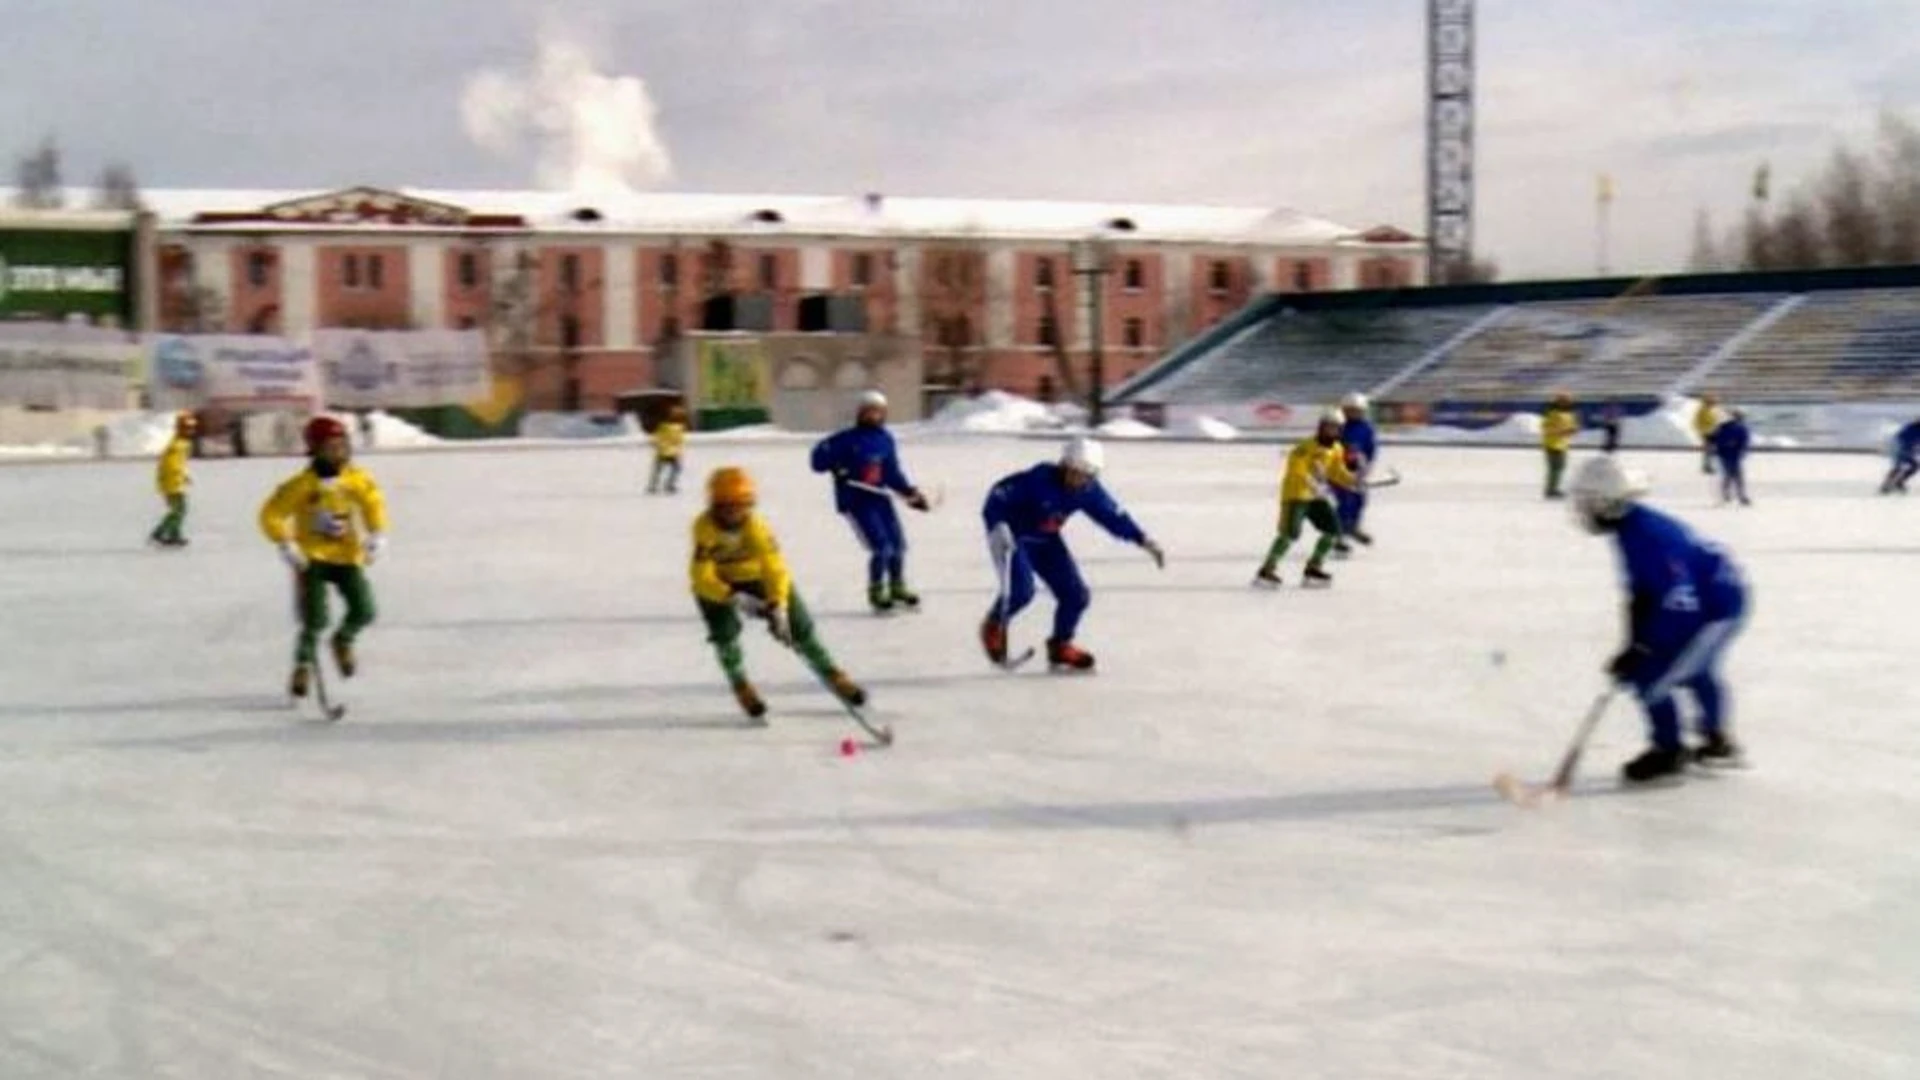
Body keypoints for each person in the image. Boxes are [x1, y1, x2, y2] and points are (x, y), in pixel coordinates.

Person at [1569, 456, 1748, 782]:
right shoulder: (1631, 528)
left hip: (1717, 608)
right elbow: (1645, 594)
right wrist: (1634, 639)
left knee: (1653, 678)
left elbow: (1679, 603)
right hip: (1709, 598)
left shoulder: (1648, 537)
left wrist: (1643, 649)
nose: (1585, 512)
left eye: (1590, 503)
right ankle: (1717, 741)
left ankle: (1669, 751)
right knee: (1690, 669)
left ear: (1610, 503)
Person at [692, 466, 865, 719]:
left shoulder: (757, 527)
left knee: (800, 625)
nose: (733, 513)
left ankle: (833, 673)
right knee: (725, 633)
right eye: (725, 506)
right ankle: (740, 684)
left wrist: (779, 604)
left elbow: (774, 568)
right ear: (714, 505)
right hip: (718, 584)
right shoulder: (704, 528)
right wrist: (733, 597)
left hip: (757, 578)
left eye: (740, 505)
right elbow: (701, 575)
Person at [979, 436, 1164, 672]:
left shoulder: (1089, 491)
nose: (1078, 479)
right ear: (1064, 465)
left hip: (1046, 540)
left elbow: (1111, 516)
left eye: (1086, 475)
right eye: (1074, 472)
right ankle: (994, 625)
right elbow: (997, 495)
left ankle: (1060, 645)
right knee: (1022, 591)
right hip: (1013, 537)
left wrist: (1142, 538)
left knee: (1076, 595)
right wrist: (997, 525)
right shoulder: (1040, 478)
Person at [259, 416, 388, 699]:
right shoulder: (301, 485)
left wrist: (377, 533)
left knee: (364, 609)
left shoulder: (355, 478)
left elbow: (372, 502)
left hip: (346, 556)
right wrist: (285, 543)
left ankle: (343, 640)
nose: (339, 453)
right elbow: (272, 513)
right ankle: (303, 664)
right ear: (315, 449)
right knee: (315, 619)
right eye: (331, 447)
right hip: (312, 558)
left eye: (343, 446)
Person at [809, 390, 931, 612]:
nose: (873, 415)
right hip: (856, 501)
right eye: (868, 411)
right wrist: (837, 468)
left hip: (879, 499)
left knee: (898, 546)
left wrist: (910, 494)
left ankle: (897, 587)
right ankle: (876, 591)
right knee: (881, 548)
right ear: (860, 413)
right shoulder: (846, 439)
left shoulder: (885, 439)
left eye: (878, 411)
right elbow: (817, 459)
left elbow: (891, 473)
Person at [1255, 409, 1359, 588]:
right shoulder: (1304, 447)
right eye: (1328, 427)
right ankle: (1267, 569)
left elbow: (1337, 472)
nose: (1331, 431)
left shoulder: (1336, 449)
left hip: (1316, 497)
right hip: (1296, 495)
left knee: (1332, 530)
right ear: (1321, 427)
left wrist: (1352, 480)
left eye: (1335, 428)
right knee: (1290, 533)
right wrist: (1312, 482)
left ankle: (1314, 567)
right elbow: (1297, 470)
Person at [1335, 392, 1378, 546]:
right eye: (1350, 410)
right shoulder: (1337, 426)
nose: (1354, 413)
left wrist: (1366, 466)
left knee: (1360, 500)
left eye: (1358, 410)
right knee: (1345, 501)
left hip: (1357, 470)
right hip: (1338, 470)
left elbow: (1371, 448)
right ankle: (1338, 534)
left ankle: (1353, 526)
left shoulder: (1366, 428)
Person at [148, 411, 195, 548]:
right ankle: (159, 533)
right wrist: (177, 474)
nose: (191, 431)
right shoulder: (177, 445)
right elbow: (170, 464)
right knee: (179, 510)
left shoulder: (181, 443)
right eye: (188, 428)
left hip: (174, 481)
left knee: (180, 509)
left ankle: (174, 535)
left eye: (192, 428)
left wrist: (184, 475)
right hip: (172, 483)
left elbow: (178, 463)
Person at [1710, 406, 1752, 506]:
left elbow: (1744, 442)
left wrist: (1741, 450)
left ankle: (1736, 496)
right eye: (1740, 416)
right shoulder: (1727, 427)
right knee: (1732, 476)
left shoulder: (1735, 427)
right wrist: (1726, 444)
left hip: (1732, 455)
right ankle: (1733, 496)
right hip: (1728, 455)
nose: (1741, 418)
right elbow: (1715, 439)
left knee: (1733, 476)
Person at [1540, 393, 1579, 499]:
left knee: (1560, 468)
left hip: (1562, 445)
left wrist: (1572, 430)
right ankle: (1550, 489)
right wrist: (1561, 431)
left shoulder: (1570, 414)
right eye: (1564, 401)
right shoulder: (1552, 413)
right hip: (1552, 444)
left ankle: (1554, 488)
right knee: (1554, 468)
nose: (1567, 403)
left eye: (1568, 401)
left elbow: (1573, 427)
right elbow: (1546, 428)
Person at [648, 405, 686, 494]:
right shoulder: (677, 428)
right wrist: (678, 450)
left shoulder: (663, 426)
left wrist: (657, 444)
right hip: (671, 452)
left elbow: (657, 437)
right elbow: (678, 441)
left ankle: (653, 486)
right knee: (676, 468)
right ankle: (669, 485)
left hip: (663, 451)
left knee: (658, 469)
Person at [1881, 418, 1919, 495]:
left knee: (1914, 466)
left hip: (1905, 448)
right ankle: (1886, 485)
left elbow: (1914, 443)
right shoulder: (1913, 428)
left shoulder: (1914, 428)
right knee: (1898, 467)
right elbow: (1902, 439)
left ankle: (1899, 482)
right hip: (1898, 447)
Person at [1693, 393, 1723, 475]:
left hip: (1713, 432)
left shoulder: (1710, 410)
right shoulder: (1703, 410)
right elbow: (1697, 422)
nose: (1714, 404)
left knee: (1711, 451)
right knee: (1709, 451)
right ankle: (1707, 466)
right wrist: (1703, 431)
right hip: (1707, 433)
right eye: (1713, 402)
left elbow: (1714, 420)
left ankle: (1709, 466)